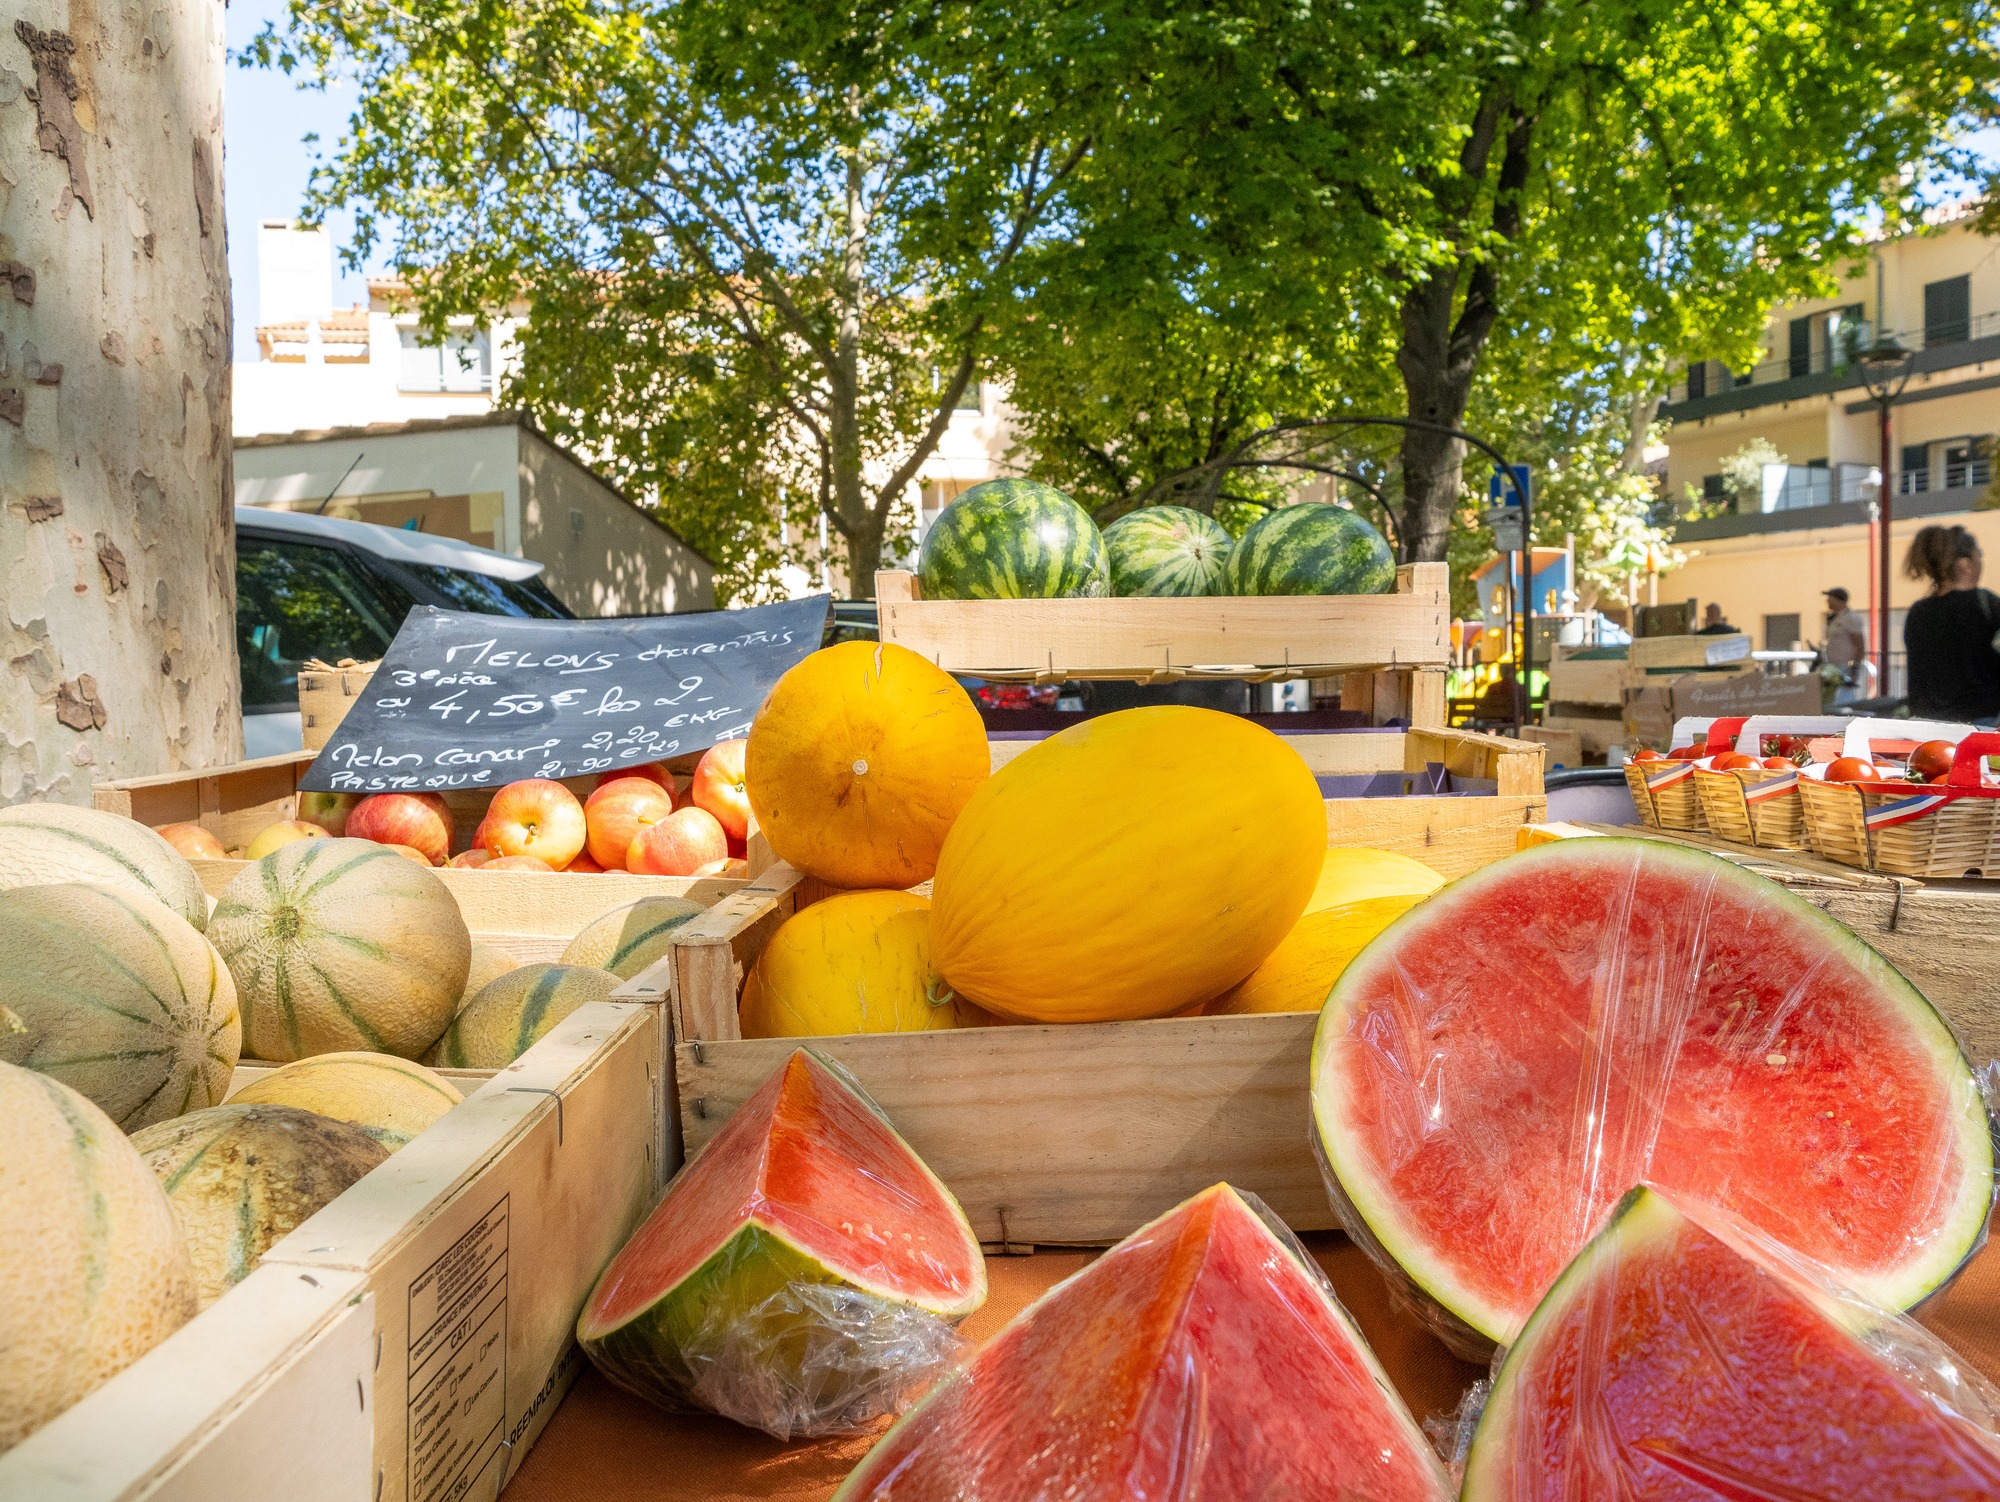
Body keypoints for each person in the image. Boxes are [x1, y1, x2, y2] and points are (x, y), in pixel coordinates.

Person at [1902, 525, 2000, 724]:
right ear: (1965, 564)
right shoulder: (1986, 604)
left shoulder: (1918, 612)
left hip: (1928, 724)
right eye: (1978, 555)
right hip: (1980, 720)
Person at [1820, 587, 1869, 707]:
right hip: (1833, 666)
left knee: (1842, 701)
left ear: (1839, 600)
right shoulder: (1835, 618)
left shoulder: (1850, 619)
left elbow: (1859, 645)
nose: (1828, 602)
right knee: (1830, 701)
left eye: (1831, 599)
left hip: (1845, 666)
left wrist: (1855, 668)